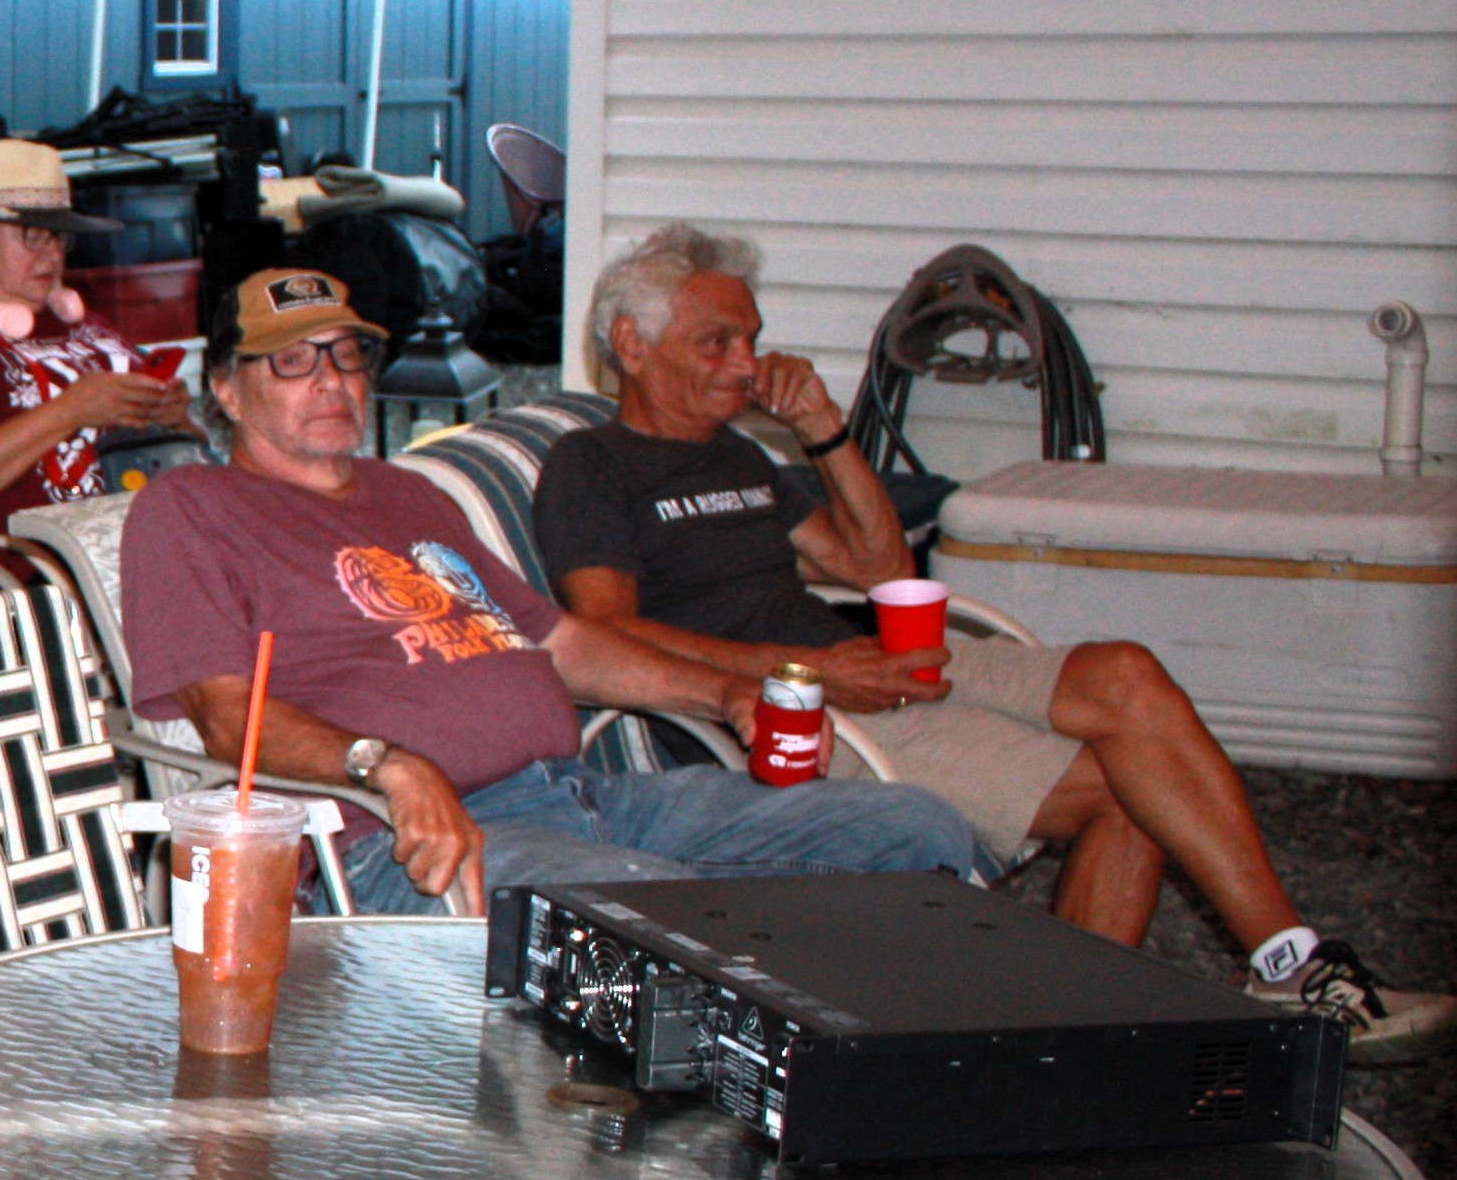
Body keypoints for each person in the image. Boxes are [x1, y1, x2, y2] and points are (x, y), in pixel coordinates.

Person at [537, 223, 1449, 1059]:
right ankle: (1093, 1035)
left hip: (860, 658)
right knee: (1131, 793)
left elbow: (880, 568)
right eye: (718, 342)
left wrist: (824, 430)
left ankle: (1281, 961)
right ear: (632, 345)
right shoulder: (593, 465)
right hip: (796, 710)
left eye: (751, 336)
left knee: (1124, 673)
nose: (747, 362)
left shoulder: (741, 457)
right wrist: (813, 671)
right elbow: (608, 630)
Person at [119, 268, 983, 917]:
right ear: (226, 390)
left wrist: (726, 694)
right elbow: (228, 718)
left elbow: (561, 641)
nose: (330, 380)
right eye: (291, 362)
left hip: (582, 796)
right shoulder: (189, 509)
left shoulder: (405, 493)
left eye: (347, 356)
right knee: (665, 917)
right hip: (411, 842)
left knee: (918, 829)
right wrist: (388, 765)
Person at [0, 138, 189, 535]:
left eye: (59, 236)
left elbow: (187, 451)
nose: (53, 254)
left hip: (152, 535)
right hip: (46, 562)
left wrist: (175, 419)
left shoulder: (89, 323)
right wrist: (69, 411)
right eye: (31, 234)